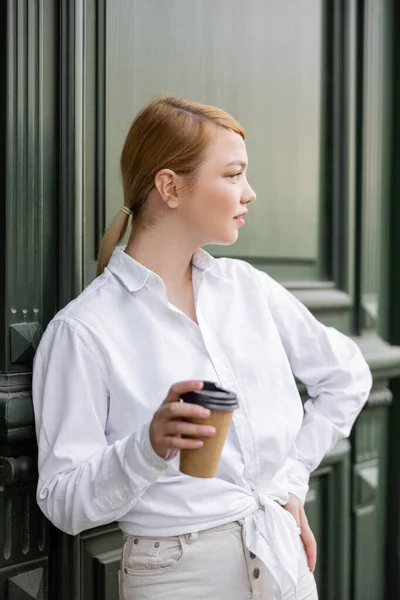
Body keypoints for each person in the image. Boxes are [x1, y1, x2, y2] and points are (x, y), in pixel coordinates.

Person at [32, 97, 372, 600]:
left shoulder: (248, 288)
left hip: (282, 558)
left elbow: (348, 374)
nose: (250, 193)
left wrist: (289, 482)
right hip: (177, 576)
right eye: (233, 175)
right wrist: (146, 447)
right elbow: (62, 501)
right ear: (170, 186)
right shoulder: (84, 330)